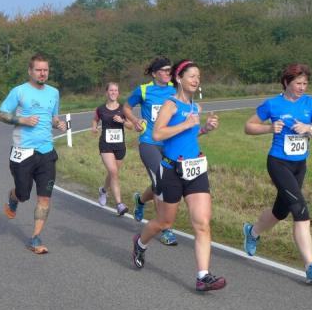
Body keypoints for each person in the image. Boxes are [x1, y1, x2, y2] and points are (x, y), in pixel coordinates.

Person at [130, 60, 226, 292]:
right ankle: (140, 243)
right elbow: (158, 134)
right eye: (192, 76)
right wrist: (185, 124)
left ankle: (203, 276)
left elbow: (188, 136)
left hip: (195, 167)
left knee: (202, 223)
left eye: (198, 76)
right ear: (179, 79)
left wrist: (205, 129)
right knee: (165, 222)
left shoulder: (195, 107)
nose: (196, 80)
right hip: (172, 169)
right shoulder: (170, 105)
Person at [242, 63, 312, 283]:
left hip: (299, 165)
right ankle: (310, 267)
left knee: (280, 212)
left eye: (305, 83)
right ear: (286, 82)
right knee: (300, 210)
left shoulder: (311, 103)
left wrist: (309, 128)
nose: (302, 87)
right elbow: (248, 126)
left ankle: (252, 232)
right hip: (278, 163)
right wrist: (269, 128)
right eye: (298, 83)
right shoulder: (273, 104)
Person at [0, 54, 67, 254]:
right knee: (23, 194)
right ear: (30, 71)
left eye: (45, 70)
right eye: (38, 70)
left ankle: (35, 238)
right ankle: (14, 198)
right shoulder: (19, 91)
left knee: (44, 198)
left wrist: (58, 123)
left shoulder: (54, 92)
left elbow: (53, 117)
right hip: (23, 152)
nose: (42, 73)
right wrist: (22, 120)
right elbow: (1, 114)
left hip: (46, 152)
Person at [122, 57, 179, 246]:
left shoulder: (175, 89)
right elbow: (126, 107)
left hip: (169, 143)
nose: (168, 73)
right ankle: (166, 228)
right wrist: (135, 121)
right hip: (149, 142)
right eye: (164, 70)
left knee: (160, 181)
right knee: (161, 180)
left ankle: (140, 200)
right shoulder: (144, 90)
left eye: (170, 70)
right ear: (154, 73)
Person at [92, 82, 134, 216]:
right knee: (114, 172)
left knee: (112, 173)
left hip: (120, 146)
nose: (113, 92)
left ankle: (104, 190)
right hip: (106, 144)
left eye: (116, 90)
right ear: (107, 92)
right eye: (111, 90)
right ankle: (119, 204)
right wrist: (94, 127)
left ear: (118, 93)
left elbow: (130, 126)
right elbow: (95, 119)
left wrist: (122, 121)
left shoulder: (123, 109)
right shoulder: (100, 109)